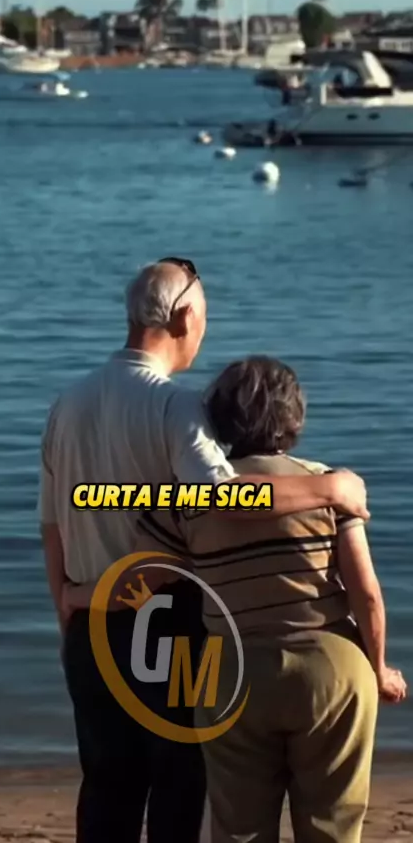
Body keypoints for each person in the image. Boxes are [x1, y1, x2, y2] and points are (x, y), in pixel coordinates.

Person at [39, 261, 370, 843]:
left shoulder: (66, 405)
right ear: (185, 316)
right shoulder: (177, 406)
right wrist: (328, 489)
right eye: (206, 318)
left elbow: (52, 526)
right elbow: (221, 499)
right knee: (179, 792)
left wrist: (67, 609)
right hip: (167, 628)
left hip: (92, 626)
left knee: (106, 793)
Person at [134, 355, 406, 843]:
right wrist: (380, 667)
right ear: (294, 416)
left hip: (230, 672)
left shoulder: (188, 500)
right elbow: (366, 593)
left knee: (239, 827)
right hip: (331, 668)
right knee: (334, 823)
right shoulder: (328, 486)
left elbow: (148, 578)